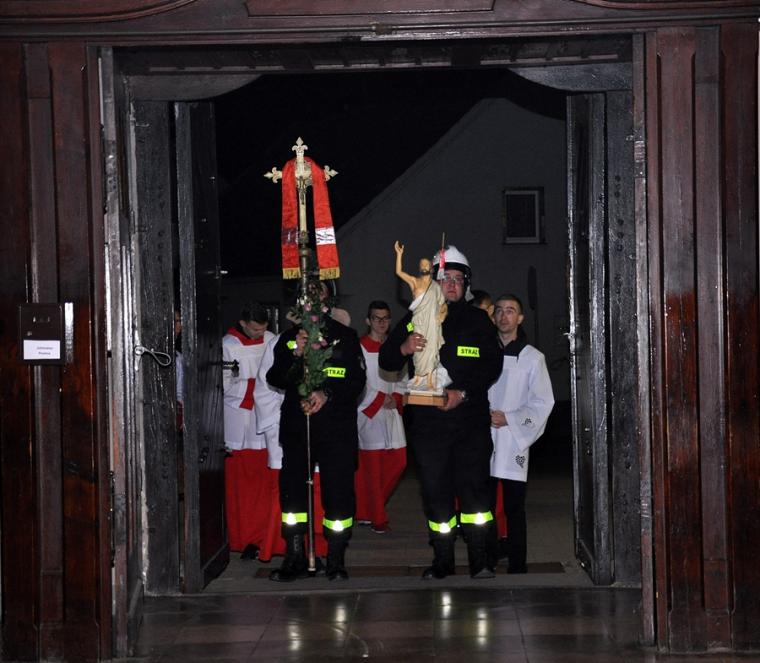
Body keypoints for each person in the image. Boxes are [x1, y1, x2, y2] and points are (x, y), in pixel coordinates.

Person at [380, 245, 502, 579]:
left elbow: (492, 366)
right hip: (428, 425)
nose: (451, 284)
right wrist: (404, 347)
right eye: (445, 278)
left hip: (470, 422)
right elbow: (387, 359)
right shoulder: (416, 316)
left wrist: (463, 392)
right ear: (433, 281)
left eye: (458, 279)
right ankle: (443, 561)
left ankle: (480, 560)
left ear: (466, 285)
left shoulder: (478, 321)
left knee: (475, 492)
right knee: (435, 492)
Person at [266, 281, 366, 582]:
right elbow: (275, 377)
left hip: (336, 430)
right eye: (307, 292)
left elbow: (356, 381)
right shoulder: (288, 338)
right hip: (299, 428)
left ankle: (335, 558)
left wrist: (327, 394)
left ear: (328, 298)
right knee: (294, 496)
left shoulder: (346, 336)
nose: (312, 297)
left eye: (318, 291)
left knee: (338, 494)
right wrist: (295, 355)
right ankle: (295, 556)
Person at [489, 294, 555, 573]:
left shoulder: (532, 358)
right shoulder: (483, 351)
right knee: (483, 506)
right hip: (482, 437)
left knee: (514, 506)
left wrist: (510, 418)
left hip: (513, 438)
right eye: (499, 311)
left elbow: (543, 401)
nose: (504, 316)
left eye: (510, 311)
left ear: (520, 318)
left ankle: (517, 565)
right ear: (493, 316)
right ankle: (486, 560)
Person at [254, 331, 328, 563]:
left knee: (323, 494)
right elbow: (268, 384)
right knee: (291, 493)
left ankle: (323, 551)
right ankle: (293, 551)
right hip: (290, 426)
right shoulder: (281, 341)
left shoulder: (337, 337)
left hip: (325, 428)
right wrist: (275, 424)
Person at [222, 302, 275, 561]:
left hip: (266, 420)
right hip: (240, 421)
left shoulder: (271, 339)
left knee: (265, 484)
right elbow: (222, 385)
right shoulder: (227, 345)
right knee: (242, 487)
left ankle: (265, 536)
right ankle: (242, 538)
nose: (260, 334)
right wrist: (256, 386)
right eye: (255, 330)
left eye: (263, 329)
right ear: (243, 324)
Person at [355, 300, 407, 534]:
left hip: (392, 412)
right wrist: (377, 398)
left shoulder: (395, 347)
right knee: (372, 470)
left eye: (385, 318)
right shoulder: (360, 348)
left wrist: (396, 396)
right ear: (368, 321)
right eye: (377, 318)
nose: (382, 322)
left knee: (399, 461)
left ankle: (366, 509)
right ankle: (378, 518)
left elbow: (404, 376)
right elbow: (357, 381)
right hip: (369, 414)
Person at [394, 241, 447, 391]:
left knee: (431, 351)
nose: (424, 267)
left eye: (426, 265)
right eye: (422, 265)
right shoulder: (414, 282)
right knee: (419, 351)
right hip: (419, 322)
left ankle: (430, 379)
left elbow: (442, 305)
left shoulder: (436, 287)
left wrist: (442, 315)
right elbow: (399, 272)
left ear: (431, 269)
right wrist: (399, 255)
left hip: (432, 324)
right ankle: (418, 377)